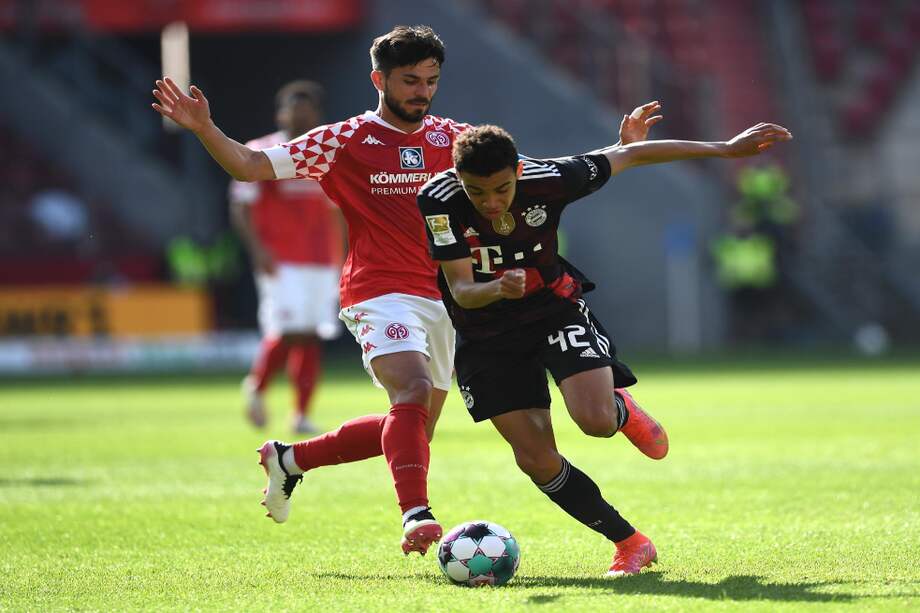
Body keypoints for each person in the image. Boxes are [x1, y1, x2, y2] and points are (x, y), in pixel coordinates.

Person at [151, 24, 660, 556]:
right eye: (410, 80)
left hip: (450, 301)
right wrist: (206, 128)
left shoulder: (453, 140)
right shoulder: (343, 140)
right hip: (377, 290)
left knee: (412, 428)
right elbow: (252, 166)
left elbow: (523, 175)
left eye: (430, 80)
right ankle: (417, 516)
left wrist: (619, 151)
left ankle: (290, 459)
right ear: (379, 79)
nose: (421, 91)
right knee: (411, 395)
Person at [417, 122, 792, 575]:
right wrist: (496, 287)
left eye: (501, 189)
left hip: (553, 311)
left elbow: (631, 157)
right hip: (485, 335)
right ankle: (630, 542)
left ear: (518, 171)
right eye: (478, 193)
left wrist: (724, 147)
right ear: (459, 179)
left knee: (594, 422)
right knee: (535, 458)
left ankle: (619, 409)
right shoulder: (438, 201)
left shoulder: (549, 178)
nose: (491, 203)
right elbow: (460, 289)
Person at [229, 80, 343, 434]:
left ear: (317, 114)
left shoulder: (328, 154)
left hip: (323, 258)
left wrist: (344, 256)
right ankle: (257, 386)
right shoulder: (262, 151)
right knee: (292, 330)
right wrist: (258, 249)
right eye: (293, 107)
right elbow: (241, 206)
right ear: (281, 112)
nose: (299, 114)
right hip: (281, 259)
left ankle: (301, 414)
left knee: (313, 334)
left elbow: (338, 211)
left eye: (306, 108)